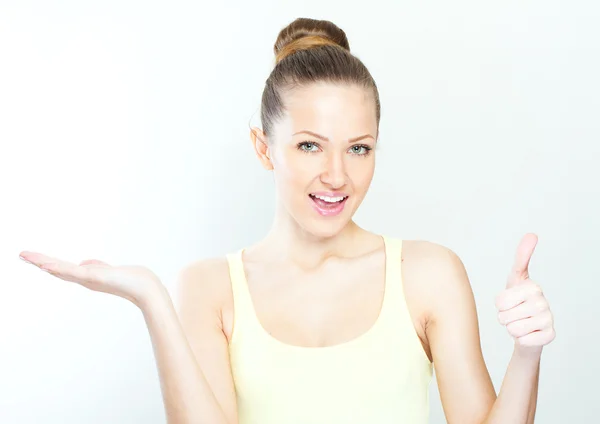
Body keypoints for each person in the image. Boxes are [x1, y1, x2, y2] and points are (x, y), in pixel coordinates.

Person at [19, 17, 555, 424]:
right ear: (264, 147)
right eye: (309, 146)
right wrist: (152, 300)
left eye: (359, 149)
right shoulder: (209, 289)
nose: (337, 176)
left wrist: (526, 353)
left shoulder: (428, 274)